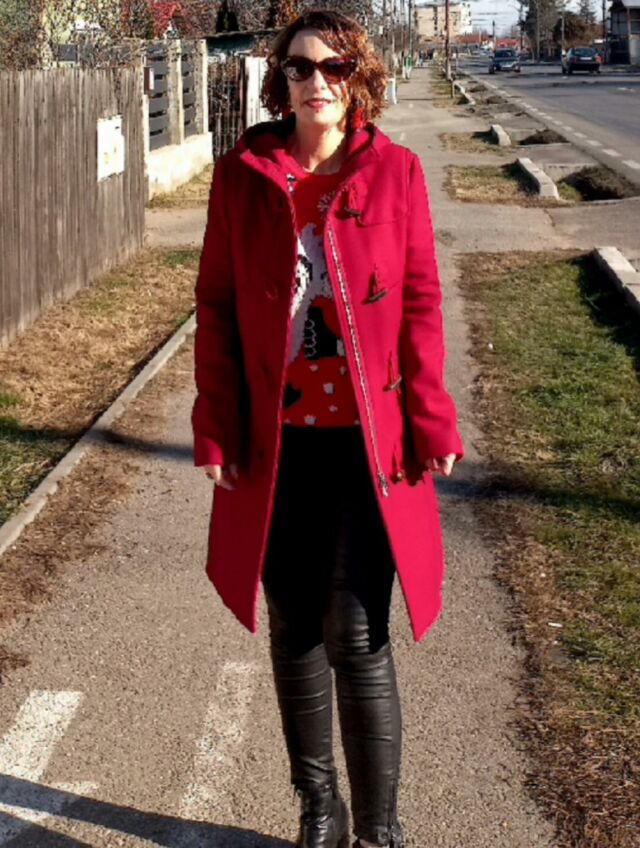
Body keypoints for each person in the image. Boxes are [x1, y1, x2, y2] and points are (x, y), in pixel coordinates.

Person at [192, 10, 464, 848]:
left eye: (334, 67)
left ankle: (377, 831)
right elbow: (217, 306)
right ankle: (320, 811)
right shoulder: (242, 177)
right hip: (277, 443)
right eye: (301, 67)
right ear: (281, 81)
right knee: (294, 624)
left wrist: (433, 417)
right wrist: (216, 426)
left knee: (356, 628)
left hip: (368, 443)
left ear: (359, 79)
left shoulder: (396, 173)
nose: (317, 81)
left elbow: (420, 301)